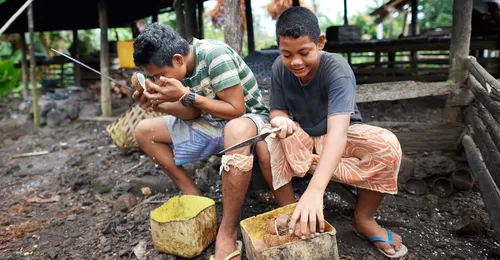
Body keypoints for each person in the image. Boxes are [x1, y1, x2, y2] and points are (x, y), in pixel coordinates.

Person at [257, 7, 408, 259]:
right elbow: (276, 111)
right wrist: (281, 121)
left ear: (320, 42)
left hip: (338, 138)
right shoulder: (279, 69)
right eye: (286, 54)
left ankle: (364, 219)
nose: (295, 61)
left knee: (386, 145)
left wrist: (315, 191)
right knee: (266, 138)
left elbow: (338, 133)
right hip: (302, 138)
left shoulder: (336, 68)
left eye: (304, 52)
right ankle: (292, 213)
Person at [132, 23, 269, 260]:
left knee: (235, 129)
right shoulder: (180, 71)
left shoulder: (215, 55)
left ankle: (227, 230)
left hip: (249, 121)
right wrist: (159, 104)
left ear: (177, 59)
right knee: (144, 131)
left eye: (158, 75)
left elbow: (236, 110)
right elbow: (192, 113)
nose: (158, 81)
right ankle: (193, 193)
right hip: (212, 121)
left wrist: (185, 95)